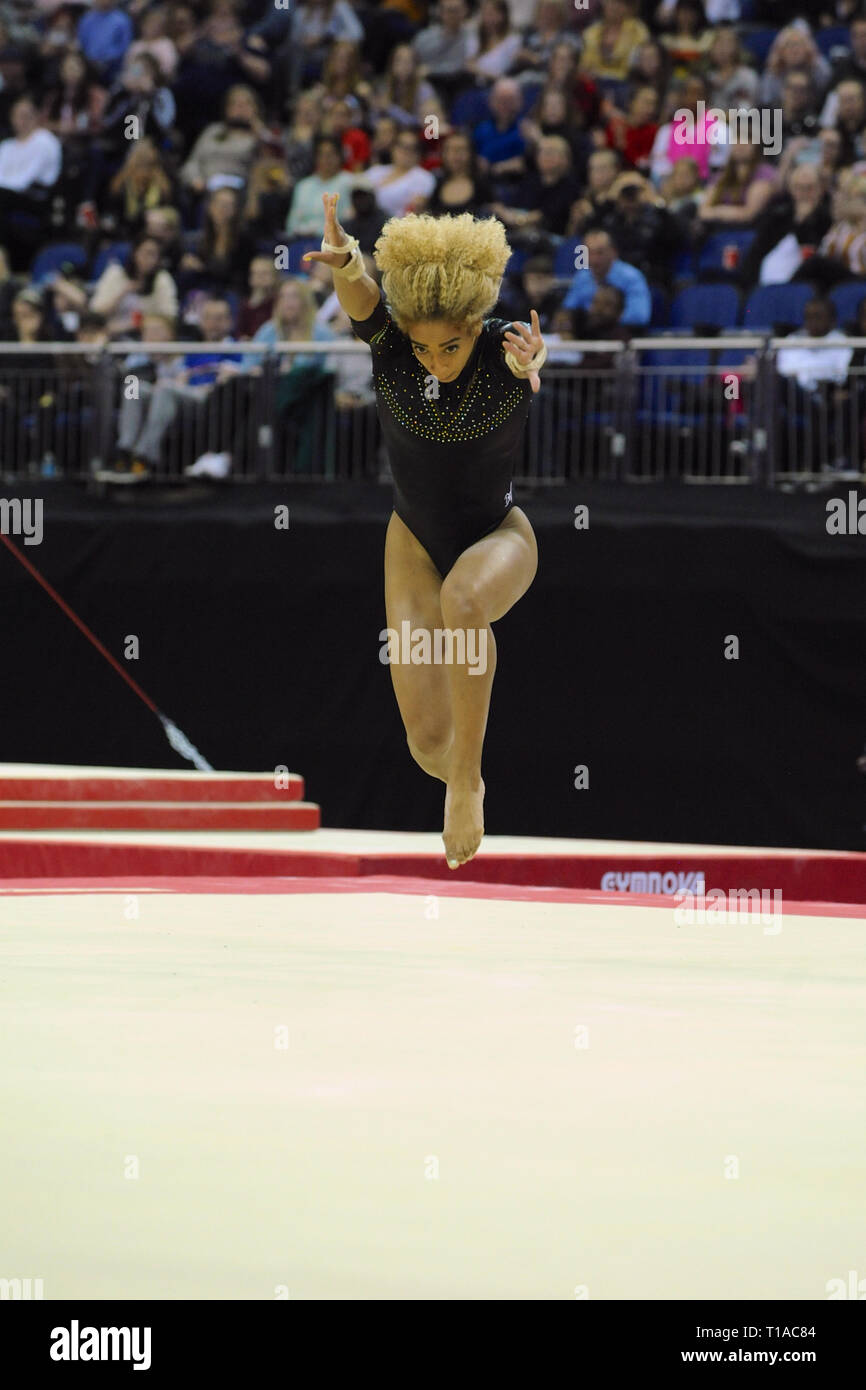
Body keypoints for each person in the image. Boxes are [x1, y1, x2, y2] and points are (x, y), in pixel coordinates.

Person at [303, 193, 547, 868]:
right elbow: (362, 299)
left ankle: (467, 784)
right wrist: (348, 258)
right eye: (424, 347)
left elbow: (532, 357)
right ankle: (455, 767)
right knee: (425, 744)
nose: (437, 361)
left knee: (464, 602)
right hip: (411, 541)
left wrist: (535, 360)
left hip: (499, 536)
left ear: (477, 322)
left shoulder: (504, 350)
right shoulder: (392, 348)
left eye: (452, 345)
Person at [561, 226, 652, 325]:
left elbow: (638, 317)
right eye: (589, 253)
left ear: (613, 252)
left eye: (600, 253)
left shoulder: (631, 277)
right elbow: (568, 311)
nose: (594, 260)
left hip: (620, 334)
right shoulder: (582, 277)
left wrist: (604, 325)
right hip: (588, 334)